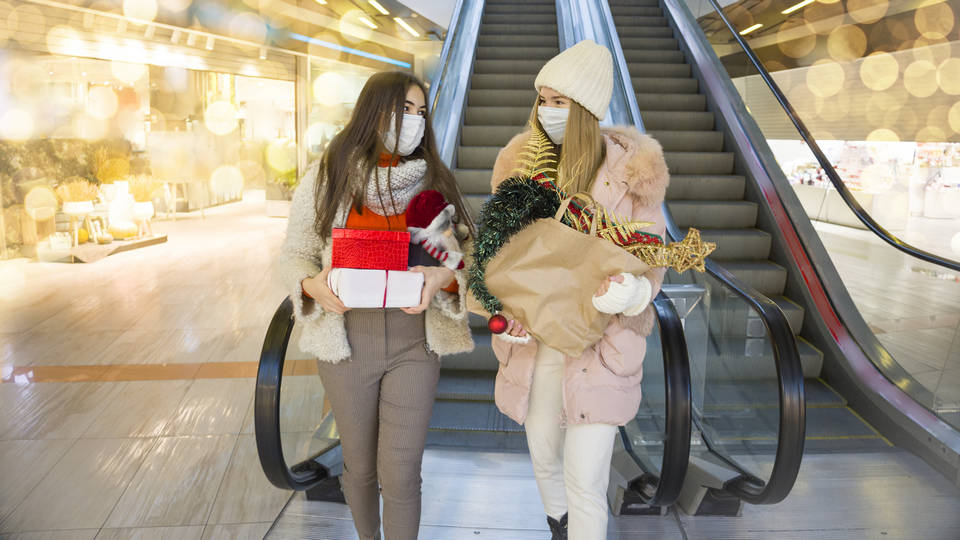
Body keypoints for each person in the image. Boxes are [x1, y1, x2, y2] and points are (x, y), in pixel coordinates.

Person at [276, 71, 474, 540]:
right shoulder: (328, 176)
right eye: (403, 109)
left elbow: (465, 258)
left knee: (401, 473)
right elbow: (296, 252)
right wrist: (309, 284)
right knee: (360, 468)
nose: (414, 121)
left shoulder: (434, 182)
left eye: (420, 112)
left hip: (415, 345)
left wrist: (442, 276)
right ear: (373, 111)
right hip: (347, 345)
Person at [486, 40, 669, 540]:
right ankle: (561, 530)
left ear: (586, 108)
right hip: (537, 344)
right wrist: (508, 309)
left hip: (601, 345)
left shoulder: (634, 173)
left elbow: (654, 253)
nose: (547, 111)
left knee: (585, 476)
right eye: (542, 99)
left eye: (559, 101)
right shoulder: (520, 164)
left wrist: (635, 292)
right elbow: (500, 254)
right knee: (544, 458)